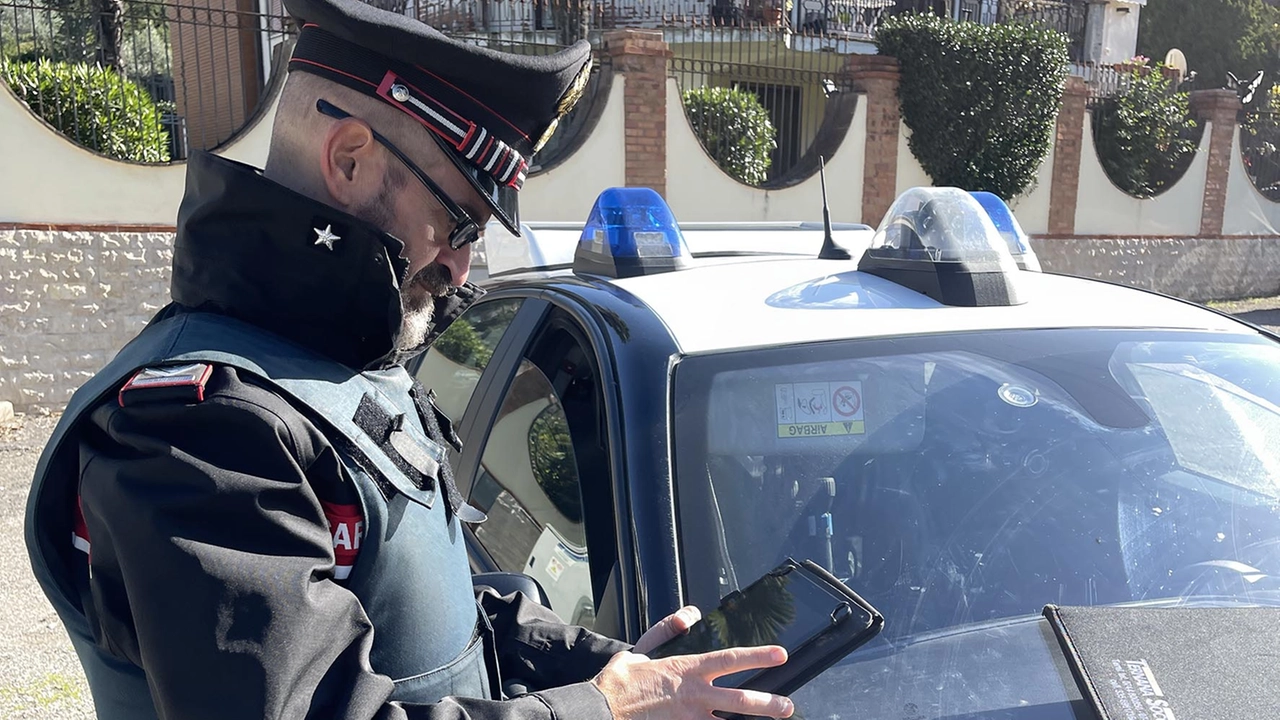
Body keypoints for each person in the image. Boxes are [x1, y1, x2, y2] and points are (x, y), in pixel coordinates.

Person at [22, 0, 797, 718]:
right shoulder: (199, 427)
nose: (463, 270)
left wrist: (614, 667)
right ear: (351, 158)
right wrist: (602, 709)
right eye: (458, 221)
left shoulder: (341, 353)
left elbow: (433, 614)